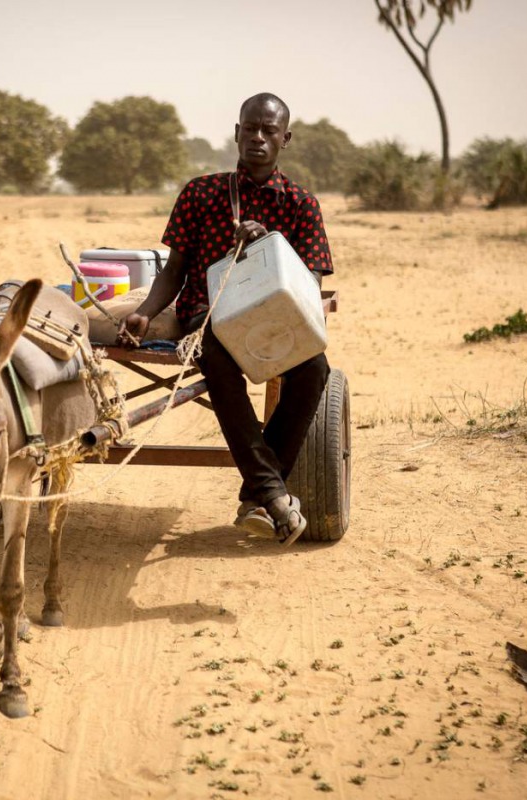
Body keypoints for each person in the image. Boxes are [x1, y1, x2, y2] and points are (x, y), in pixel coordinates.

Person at [117, 92, 332, 545]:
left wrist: (268, 245)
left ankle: (257, 493)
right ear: (236, 133)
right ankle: (271, 492)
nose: (257, 138)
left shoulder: (300, 205)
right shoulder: (201, 193)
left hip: (278, 319)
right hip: (205, 315)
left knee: (315, 369)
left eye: (268, 131)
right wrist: (144, 312)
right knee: (216, 355)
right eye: (249, 128)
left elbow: (308, 283)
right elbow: (173, 271)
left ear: (285, 139)